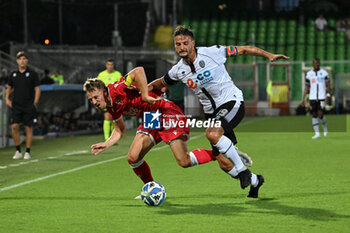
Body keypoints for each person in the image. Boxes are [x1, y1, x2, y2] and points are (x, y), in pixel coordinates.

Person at [148, 26, 290, 198]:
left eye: (185, 43)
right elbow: (161, 82)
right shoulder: (178, 70)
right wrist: (143, 88)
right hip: (211, 114)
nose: (182, 47)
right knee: (223, 163)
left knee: (213, 134)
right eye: (178, 44)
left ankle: (243, 170)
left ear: (193, 43)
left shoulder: (213, 52)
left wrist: (269, 55)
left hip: (232, 102)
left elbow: (244, 49)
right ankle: (255, 181)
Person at [84, 67, 242, 198]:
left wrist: (145, 94)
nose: (94, 102)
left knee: (183, 161)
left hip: (166, 112)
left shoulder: (118, 88)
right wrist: (106, 143)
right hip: (151, 118)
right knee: (133, 158)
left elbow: (138, 71)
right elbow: (120, 130)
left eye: (96, 97)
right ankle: (151, 188)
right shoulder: (111, 106)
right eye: (91, 100)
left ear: (104, 91)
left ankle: (218, 153)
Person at [5, 51, 41, 160]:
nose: (22, 61)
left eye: (24, 59)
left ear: (27, 61)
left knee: (28, 128)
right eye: (20, 59)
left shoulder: (32, 74)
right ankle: (18, 150)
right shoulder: (13, 74)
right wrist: (7, 99)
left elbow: (37, 88)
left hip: (28, 105)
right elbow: (9, 88)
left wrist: (35, 101)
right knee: (14, 126)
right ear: (17, 61)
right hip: (16, 105)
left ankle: (28, 151)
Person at [301, 58, 330, 139]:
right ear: (313, 64)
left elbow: (328, 85)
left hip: (321, 97)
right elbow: (307, 87)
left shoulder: (324, 73)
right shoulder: (309, 74)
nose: (316, 64)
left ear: (319, 63)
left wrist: (328, 95)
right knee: (314, 114)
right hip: (312, 97)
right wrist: (303, 99)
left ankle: (325, 127)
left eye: (317, 63)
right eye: (315, 63)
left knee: (320, 114)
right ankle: (317, 134)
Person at [96, 58, 122, 141]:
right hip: (105, 100)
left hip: (115, 100)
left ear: (113, 65)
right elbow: (96, 86)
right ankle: (107, 138)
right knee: (107, 117)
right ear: (106, 65)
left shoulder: (118, 74)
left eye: (112, 65)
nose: (110, 66)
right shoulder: (101, 75)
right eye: (109, 64)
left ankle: (112, 136)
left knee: (113, 118)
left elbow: (121, 85)